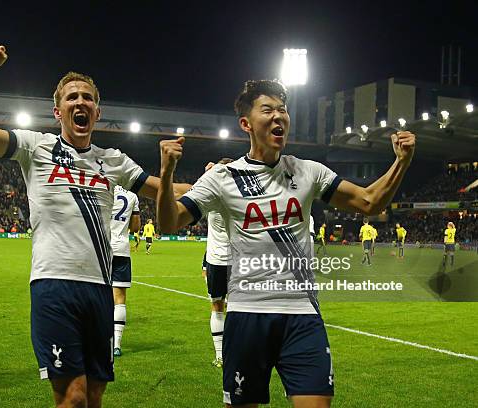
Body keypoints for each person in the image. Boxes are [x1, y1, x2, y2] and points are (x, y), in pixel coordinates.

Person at [0, 43, 190, 408]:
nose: (81, 102)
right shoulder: (35, 147)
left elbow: (169, 194)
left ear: (97, 111)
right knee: (72, 397)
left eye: (88, 98)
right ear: (58, 111)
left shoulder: (114, 161)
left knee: (94, 396)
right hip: (54, 286)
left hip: (99, 290)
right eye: (72, 97)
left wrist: (216, 178)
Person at [156, 79, 415, 407]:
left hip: (302, 315)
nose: (279, 116)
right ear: (246, 124)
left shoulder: (308, 172)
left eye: (283, 109)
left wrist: (402, 161)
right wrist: (166, 174)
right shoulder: (223, 178)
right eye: (268, 110)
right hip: (248, 314)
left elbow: (368, 202)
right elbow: (170, 221)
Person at [203, 158, 233, 368]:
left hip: (216, 260)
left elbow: (195, 192)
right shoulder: (238, 196)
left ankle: (220, 355)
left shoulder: (212, 197)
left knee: (217, 306)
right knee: (241, 308)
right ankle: (239, 351)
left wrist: (209, 173)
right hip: (239, 260)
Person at [110, 185, 141, 357]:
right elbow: (135, 228)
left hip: (101, 249)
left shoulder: (103, 188)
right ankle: (117, 344)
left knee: (98, 295)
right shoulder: (132, 195)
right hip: (121, 249)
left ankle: (97, 340)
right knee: (119, 298)